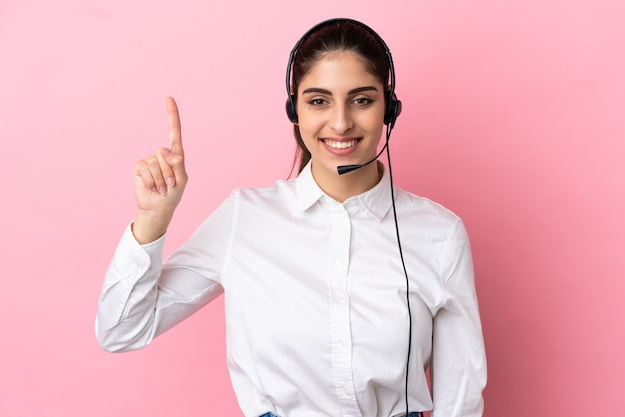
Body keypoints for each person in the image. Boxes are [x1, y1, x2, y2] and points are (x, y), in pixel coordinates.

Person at [96, 18, 487, 417]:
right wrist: (152, 220)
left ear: (389, 108)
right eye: (319, 101)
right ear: (293, 110)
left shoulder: (439, 234)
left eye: (361, 100)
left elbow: (461, 396)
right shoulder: (245, 219)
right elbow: (121, 330)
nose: (340, 123)